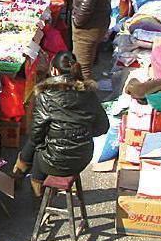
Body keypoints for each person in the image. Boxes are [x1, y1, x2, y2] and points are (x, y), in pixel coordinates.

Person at [13, 51, 110, 197]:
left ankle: (27, 185)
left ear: (54, 70)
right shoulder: (88, 93)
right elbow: (103, 127)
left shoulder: (46, 95)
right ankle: (20, 177)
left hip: (55, 160)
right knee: (38, 144)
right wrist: (82, 131)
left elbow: (36, 134)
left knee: (35, 146)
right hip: (83, 156)